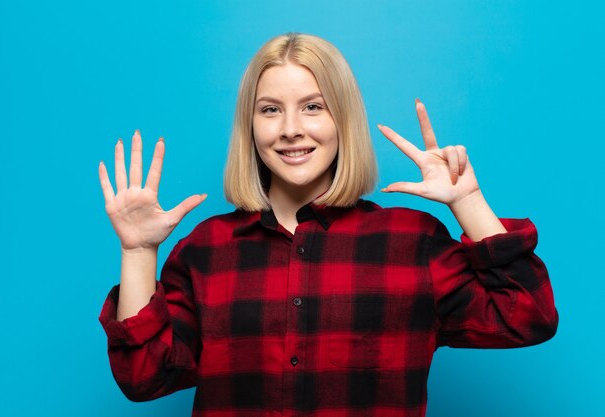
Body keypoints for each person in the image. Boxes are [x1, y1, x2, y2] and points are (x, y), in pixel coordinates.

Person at [98, 33, 557, 416]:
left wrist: (469, 203)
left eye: (313, 107)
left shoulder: (411, 242)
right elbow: (143, 378)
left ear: (343, 118)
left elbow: (528, 317)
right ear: (250, 126)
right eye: (270, 109)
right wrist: (138, 253)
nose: (291, 129)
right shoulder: (207, 249)